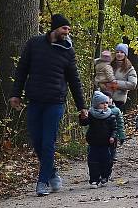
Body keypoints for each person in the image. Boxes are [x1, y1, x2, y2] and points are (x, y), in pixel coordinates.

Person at [10, 13, 88, 197]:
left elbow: (74, 80)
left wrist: (82, 106)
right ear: (55, 28)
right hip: (35, 100)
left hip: (55, 102)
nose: (67, 32)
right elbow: (21, 70)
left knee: (48, 142)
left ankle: (43, 181)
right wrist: (15, 94)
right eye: (64, 28)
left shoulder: (68, 51)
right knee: (37, 142)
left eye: (69, 29)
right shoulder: (34, 44)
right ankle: (52, 172)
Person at [79, 91, 117, 188]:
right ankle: (94, 180)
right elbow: (84, 123)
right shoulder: (91, 114)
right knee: (93, 162)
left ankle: (105, 177)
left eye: (106, 103)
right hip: (94, 143)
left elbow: (114, 128)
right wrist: (83, 117)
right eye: (102, 103)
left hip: (106, 143)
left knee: (107, 161)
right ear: (96, 104)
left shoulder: (111, 115)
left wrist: (113, 136)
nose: (105, 105)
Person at [110, 44, 138, 111]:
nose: (119, 54)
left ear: (125, 54)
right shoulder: (110, 65)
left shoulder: (129, 68)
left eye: (122, 52)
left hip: (119, 100)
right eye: (117, 52)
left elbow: (132, 84)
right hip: (106, 99)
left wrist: (116, 84)